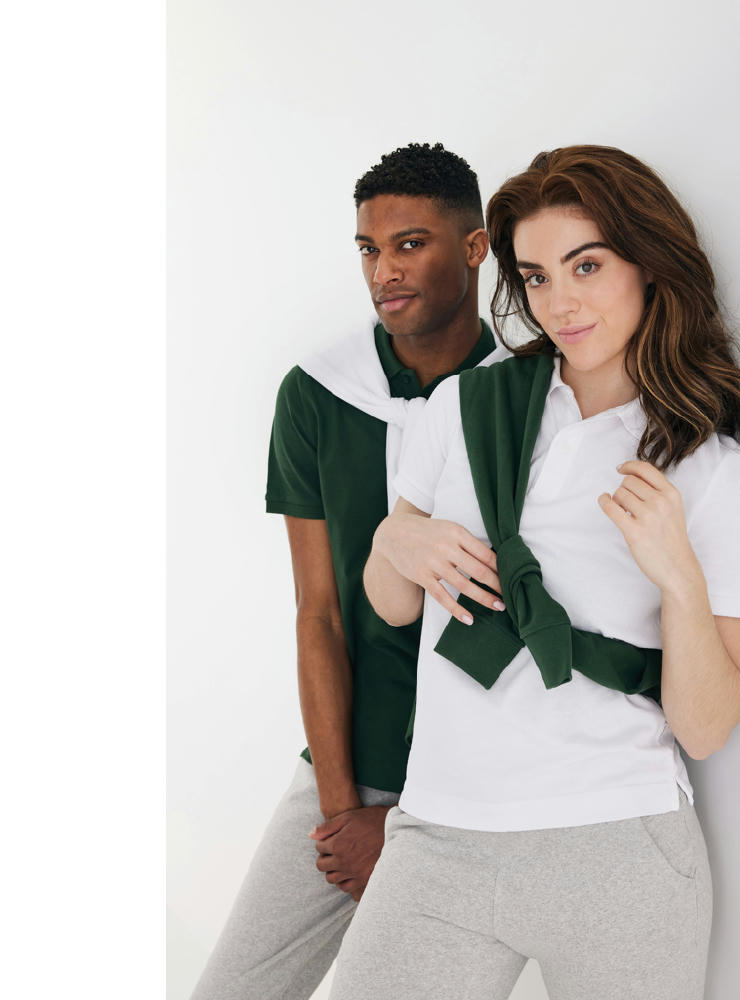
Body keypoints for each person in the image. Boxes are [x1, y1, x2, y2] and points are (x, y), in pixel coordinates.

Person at [331, 145, 740, 1000]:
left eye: (586, 266)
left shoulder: (703, 467)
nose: (559, 303)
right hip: (440, 836)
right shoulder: (465, 405)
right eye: (535, 277)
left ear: (648, 264)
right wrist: (395, 541)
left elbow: (707, 728)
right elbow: (392, 605)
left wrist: (679, 578)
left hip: (619, 845)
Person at [190, 142, 507, 1000]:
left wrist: (408, 822)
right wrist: (344, 813)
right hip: (349, 762)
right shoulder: (317, 395)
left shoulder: (526, 393)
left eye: (410, 244)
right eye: (369, 249)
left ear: (475, 247)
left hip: (487, 781)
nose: (383, 271)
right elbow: (317, 613)